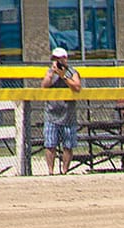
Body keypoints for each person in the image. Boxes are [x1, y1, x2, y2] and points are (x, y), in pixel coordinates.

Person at [41, 46, 83, 175]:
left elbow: (77, 87)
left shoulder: (71, 72)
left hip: (67, 115)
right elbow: (44, 86)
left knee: (68, 145)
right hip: (51, 114)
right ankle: (50, 171)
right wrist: (51, 74)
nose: (57, 61)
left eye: (59, 59)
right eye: (55, 59)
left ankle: (65, 171)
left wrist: (63, 75)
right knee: (50, 144)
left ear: (65, 59)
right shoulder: (50, 72)